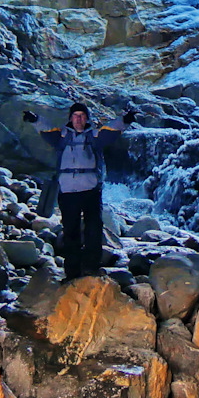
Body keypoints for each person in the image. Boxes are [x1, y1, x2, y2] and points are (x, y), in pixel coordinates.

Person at [22, 102, 135, 280]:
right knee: (71, 232)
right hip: (67, 192)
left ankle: (91, 267)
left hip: (90, 192)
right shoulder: (62, 137)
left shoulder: (95, 136)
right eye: (76, 115)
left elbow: (111, 131)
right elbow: (46, 130)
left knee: (93, 229)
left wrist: (125, 120)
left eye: (82, 115)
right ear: (70, 118)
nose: (79, 119)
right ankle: (72, 272)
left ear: (87, 118)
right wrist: (35, 119)